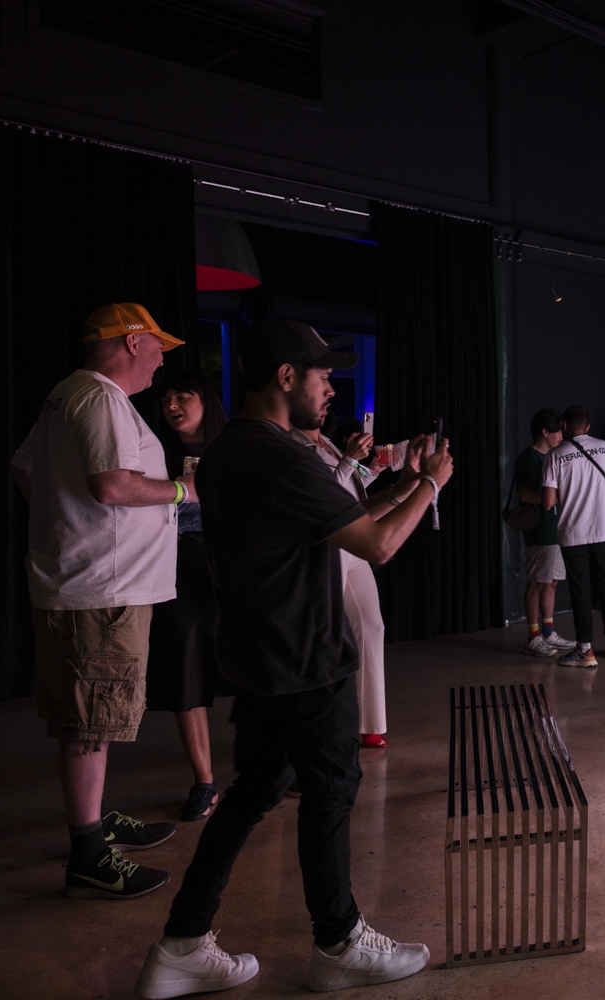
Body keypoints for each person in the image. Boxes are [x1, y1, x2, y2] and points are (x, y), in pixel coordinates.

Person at [134, 319, 452, 997]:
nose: (331, 388)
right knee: (330, 794)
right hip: (306, 661)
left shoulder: (230, 452)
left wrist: (406, 482)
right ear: (285, 378)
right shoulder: (278, 457)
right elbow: (377, 545)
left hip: (260, 662)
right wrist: (432, 486)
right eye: (320, 375)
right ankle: (337, 942)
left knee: (253, 793)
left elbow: (342, 515)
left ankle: (182, 943)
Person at [8, 303, 186, 902]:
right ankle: (88, 854)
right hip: (102, 591)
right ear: (131, 342)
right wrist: (185, 489)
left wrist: (64, 523)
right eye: (157, 346)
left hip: (85, 583)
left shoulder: (66, 395)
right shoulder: (101, 397)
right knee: (91, 723)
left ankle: (95, 820)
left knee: (91, 718)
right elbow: (112, 485)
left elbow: (24, 466)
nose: (163, 358)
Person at [290, 409, 394, 749]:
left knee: (372, 624)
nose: (325, 402)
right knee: (325, 636)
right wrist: (349, 460)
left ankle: (370, 723)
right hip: (327, 546)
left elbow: (348, 486)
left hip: (351, 541)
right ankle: (318, 729)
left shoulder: (330, 443)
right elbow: (320, 500)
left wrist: (372, 469)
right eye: (320, 393)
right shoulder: (292, 446)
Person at [151, 372, 229, 822]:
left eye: (183, 395)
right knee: (185, 667)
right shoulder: (153, 450)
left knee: (258, 665)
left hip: (230, 566)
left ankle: (278, 763)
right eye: (166, 398)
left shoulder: (234, 445)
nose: (173, 404)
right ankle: (203, 781)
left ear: (206, 401)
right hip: (176, 565)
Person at [542, 405, 605, 668]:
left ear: (565, 427)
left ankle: (585, 650)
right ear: (588, 427)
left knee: (580, 590)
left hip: (572, 533)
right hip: (604, 530)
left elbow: (548, 502)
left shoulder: (555, 455)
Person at [514, 408, 576, 658]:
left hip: (559, 528)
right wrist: (554, 497)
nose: (562, 435)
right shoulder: (529, 458)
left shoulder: (555, 456)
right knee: (537, 582)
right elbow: (524, 494)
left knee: (552, 582)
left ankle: (549, 632)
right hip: (541, 530)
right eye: (558, 431)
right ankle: (533, 637)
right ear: (544, 432)